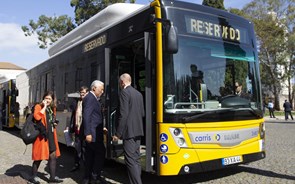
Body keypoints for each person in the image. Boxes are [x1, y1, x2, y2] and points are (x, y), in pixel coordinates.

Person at [112, 73, 145, 184]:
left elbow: (123, 114)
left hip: (129, 132)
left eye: (119, 83)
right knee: (136, 159)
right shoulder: (138, 94)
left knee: (130, 160)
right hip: (138, 131)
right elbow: (142, 113)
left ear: (122, 82)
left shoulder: (124, 93)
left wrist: (118, 134)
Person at [29, 91, 63, 184]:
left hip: (51, 135)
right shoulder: (38, 106)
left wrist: (54, 123)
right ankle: (33, 177)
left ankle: (52, 177)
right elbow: (37, 117)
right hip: (41, 136)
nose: (47, 100)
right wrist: (44, 106)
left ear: (52, 100)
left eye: (49, 99)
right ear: (43, 98)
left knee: (53, 156)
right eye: (46, 98)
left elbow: (51, 120)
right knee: (39, 157)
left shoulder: (52, 108)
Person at [80, 80, 106, 184]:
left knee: (90, 155)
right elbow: (87, 116)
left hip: (94, 132)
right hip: (92, 134)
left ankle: (87, 178)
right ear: (94, 88)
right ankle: (95, 177)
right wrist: (88, 133)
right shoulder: (90, 98)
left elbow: (94, 116)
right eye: (101, 89)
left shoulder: (92, 98)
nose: (102, 91)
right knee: (100, 153)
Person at [69, 86, 88, 172]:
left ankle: (86, 166)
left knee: (84, 149)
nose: (82, 95)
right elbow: (72, 112)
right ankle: (76, 164)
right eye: (81, 93)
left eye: (84, 93)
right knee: (77, 148)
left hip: (85, 130)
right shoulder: (77, 102)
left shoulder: (88, 103)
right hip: (77, 129)